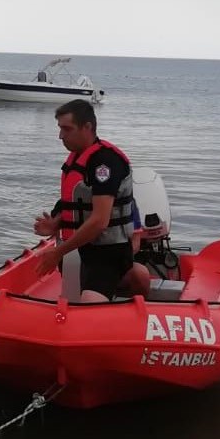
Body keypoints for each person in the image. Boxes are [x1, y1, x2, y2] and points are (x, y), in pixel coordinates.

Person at [31, 100, 149, 301]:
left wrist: (57, 252)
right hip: (85, 250)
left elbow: (100, 221)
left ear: (87, 127)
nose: (61, 136)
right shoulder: (77, 160)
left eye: (67, 129)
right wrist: (56, 222)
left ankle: (128, 292)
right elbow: (75, 202)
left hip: (109, 253)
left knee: (90, 303)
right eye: (60, 129)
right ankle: (134, 277)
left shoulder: (105, 163)